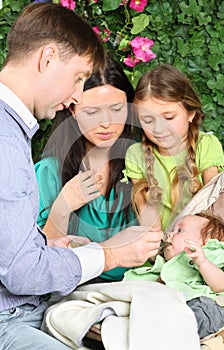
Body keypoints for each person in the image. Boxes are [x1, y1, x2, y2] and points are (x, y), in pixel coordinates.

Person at [0, 3, 163, 349]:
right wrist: (112, 254)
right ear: (47, 59)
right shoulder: (13, 147)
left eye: (116, 109)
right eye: (77, 78)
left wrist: (48, 248)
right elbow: (20, 271)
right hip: (16, 315)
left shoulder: (140, 165)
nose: (75, 95)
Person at [35, 56, 138, 282]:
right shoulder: (49, 172)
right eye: (92, 112)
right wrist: (63, 207)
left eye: (117, 109)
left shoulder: (142, 163)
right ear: (72, 109)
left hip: (139, 288)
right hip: (71, 293)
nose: (106, 123)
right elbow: (36, 262)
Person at [122, 64, 224, 231]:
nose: (159, 128)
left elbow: (215, 207)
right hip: (164, 244)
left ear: (191, 113)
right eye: (148, 121)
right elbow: (149, 219)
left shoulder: (205, 145)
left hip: (203, 240)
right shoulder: (135, 155)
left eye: (169, 117)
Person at [124, 212, 224, 339]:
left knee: (208, 313)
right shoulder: (163, 265)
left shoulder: (209, 257)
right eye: (172, 230)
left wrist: (203, 262)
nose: (169, 234)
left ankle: (174, 333)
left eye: (179, 230)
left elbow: (220, 285)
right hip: (162, 307)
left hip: (194, 303)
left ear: (205, 243)